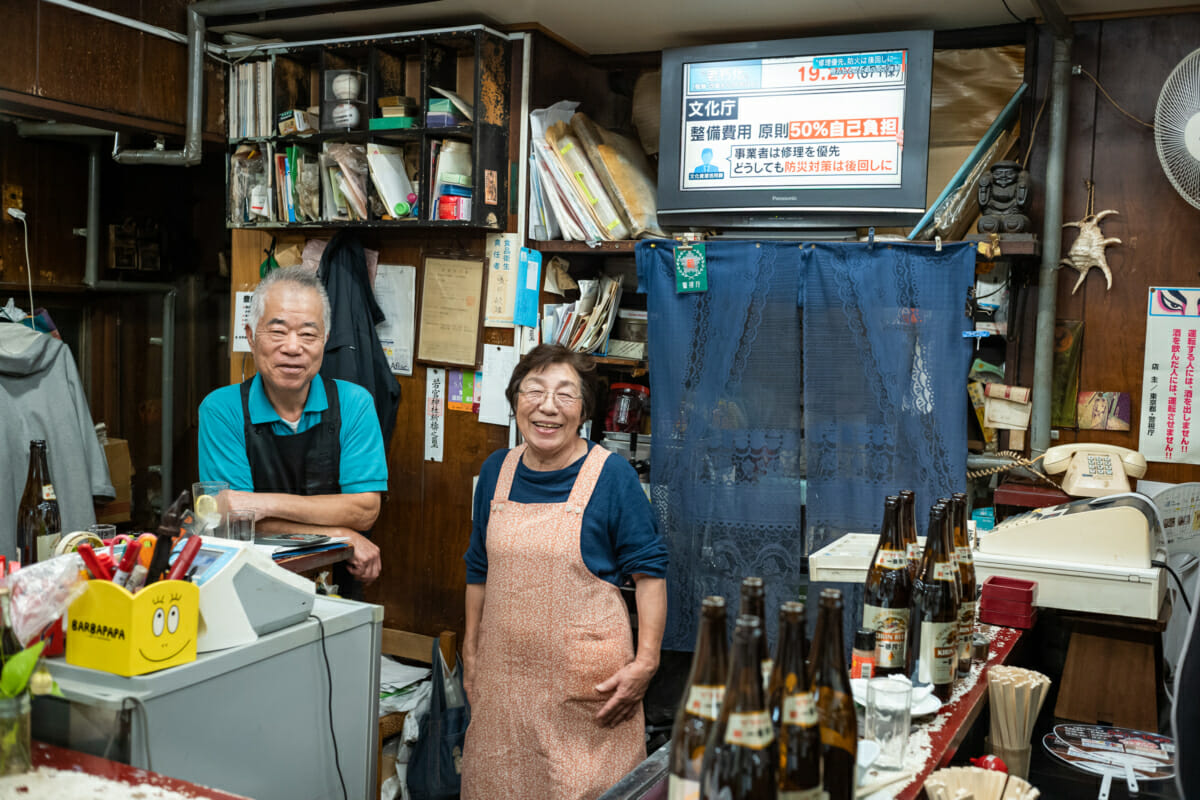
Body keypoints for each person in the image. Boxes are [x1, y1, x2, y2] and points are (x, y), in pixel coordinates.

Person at [461, 345, 668, 800]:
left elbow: (651, 574)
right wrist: (470, 651)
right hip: (503, 694)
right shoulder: (496, 470)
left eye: (565, 394)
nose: (547, 406)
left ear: (583, 411)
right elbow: (479, 568)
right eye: (533, 390)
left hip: (587, 705)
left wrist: (646, 663)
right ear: (515, 401)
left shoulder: (612, 476)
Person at [198, 266, 385, 596]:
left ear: (325, 341)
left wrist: (263, 503)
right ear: (251, 336)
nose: (293, 347)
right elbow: (236, 520)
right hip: (250, 582)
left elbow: (364, 510)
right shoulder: (221, 410)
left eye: (308, 334)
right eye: (278, 331)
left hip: (336, 583)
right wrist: (340, 534)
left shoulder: (354, 404)